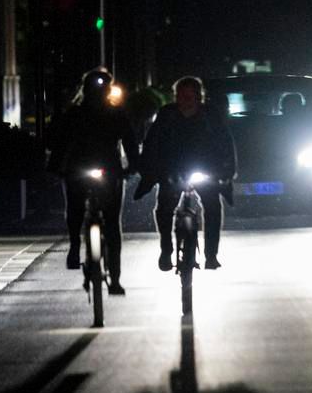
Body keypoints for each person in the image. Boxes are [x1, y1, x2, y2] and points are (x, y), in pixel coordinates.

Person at [45, 68, 141, 294]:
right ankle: (75, 245)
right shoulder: (74, 114)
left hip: (107, 170)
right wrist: (57, 166)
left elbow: (129, 141)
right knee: (77, 210)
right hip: (82, 168)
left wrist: (132, 166)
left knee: (111, 222)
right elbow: (60, 142)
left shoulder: (116, 114)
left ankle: (115, 277)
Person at [137, 75, 236, 271]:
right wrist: (152, 170)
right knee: (164, 208)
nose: (187, 101)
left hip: (206, 170)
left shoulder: (210, 115)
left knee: (212, 206)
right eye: (182, 96)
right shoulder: (167, 114)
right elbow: (152, 143)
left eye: (191, 96)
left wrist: (226, 171)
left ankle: (211, 255)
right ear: (176, 97)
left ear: (199, 97)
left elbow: (225, 143)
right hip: (172, 170)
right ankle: (166, 250)